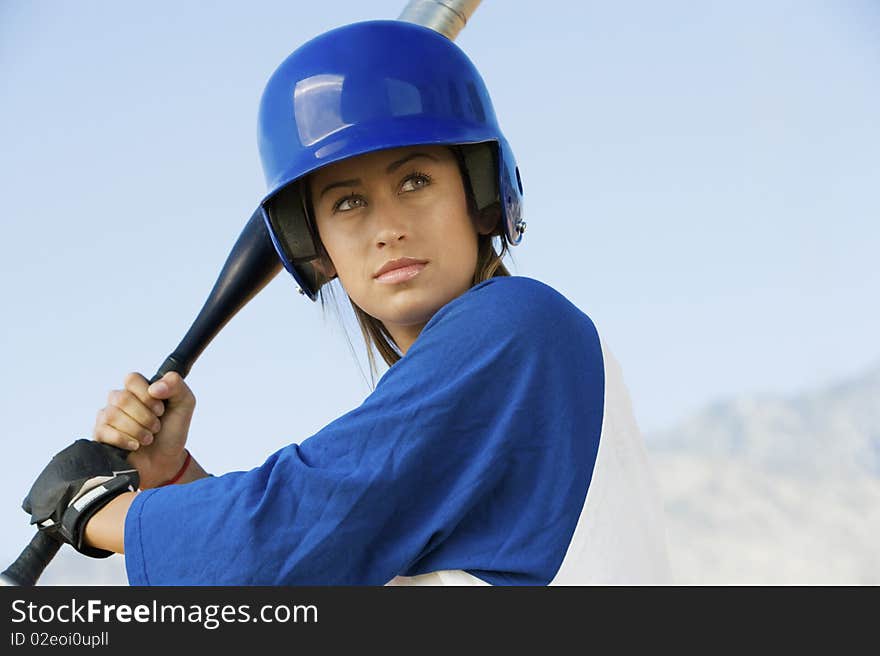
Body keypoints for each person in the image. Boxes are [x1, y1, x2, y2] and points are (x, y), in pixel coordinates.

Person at [21, 20, 670, 585]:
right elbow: (322, 570)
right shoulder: (482, 394)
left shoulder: (516, 329)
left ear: (480, 196)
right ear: (317, 248)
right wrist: (174, 477)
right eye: (347, 202)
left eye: (415, 180)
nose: (387, 227)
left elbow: (293, 532)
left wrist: (94, 510)